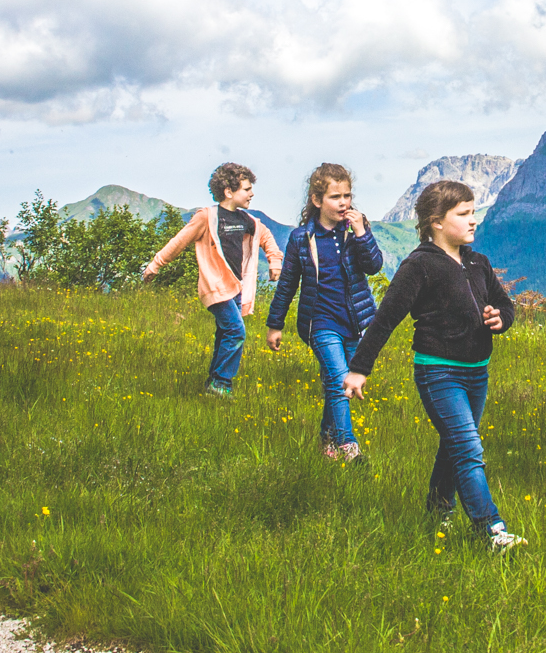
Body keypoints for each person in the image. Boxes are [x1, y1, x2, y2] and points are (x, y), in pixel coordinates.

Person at [343, 180, 524, 550]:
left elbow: (506, 306)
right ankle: (490, 529)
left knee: (455, 443)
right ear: (436, 222)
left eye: (474, 213)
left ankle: (438, 507)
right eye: (464, 214)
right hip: (438, 371)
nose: (474, 221)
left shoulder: (478, 262)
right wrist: (359, 368)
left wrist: (500, 319)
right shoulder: (419, 265)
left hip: (478, 372)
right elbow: (385, 319)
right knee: (468, 447)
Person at [265, 162, 383, 461]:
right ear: (317, 201)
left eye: (347, 195)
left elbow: (374, 266)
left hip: (354, 321)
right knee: (339, 380)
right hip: (320, 323)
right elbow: (288, 283)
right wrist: (274, 324)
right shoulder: (302, 238)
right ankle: (347, 445)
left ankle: (326, 442)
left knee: (335, 381)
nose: (343, 202)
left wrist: (362, 234)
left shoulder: (355, 230)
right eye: (335, 197)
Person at [143, 162, 284, 397]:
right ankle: (221, 383)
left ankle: (212, 381)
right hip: (215, 286)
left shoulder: (246, 219)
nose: (251, 194)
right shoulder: (206, 217)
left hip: (235, 287)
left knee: (224, 333)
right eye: (246, 189)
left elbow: (266, 236)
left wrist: (274, 260)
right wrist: (155, 264)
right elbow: (179, 242)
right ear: (229, 191)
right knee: (236, 332)